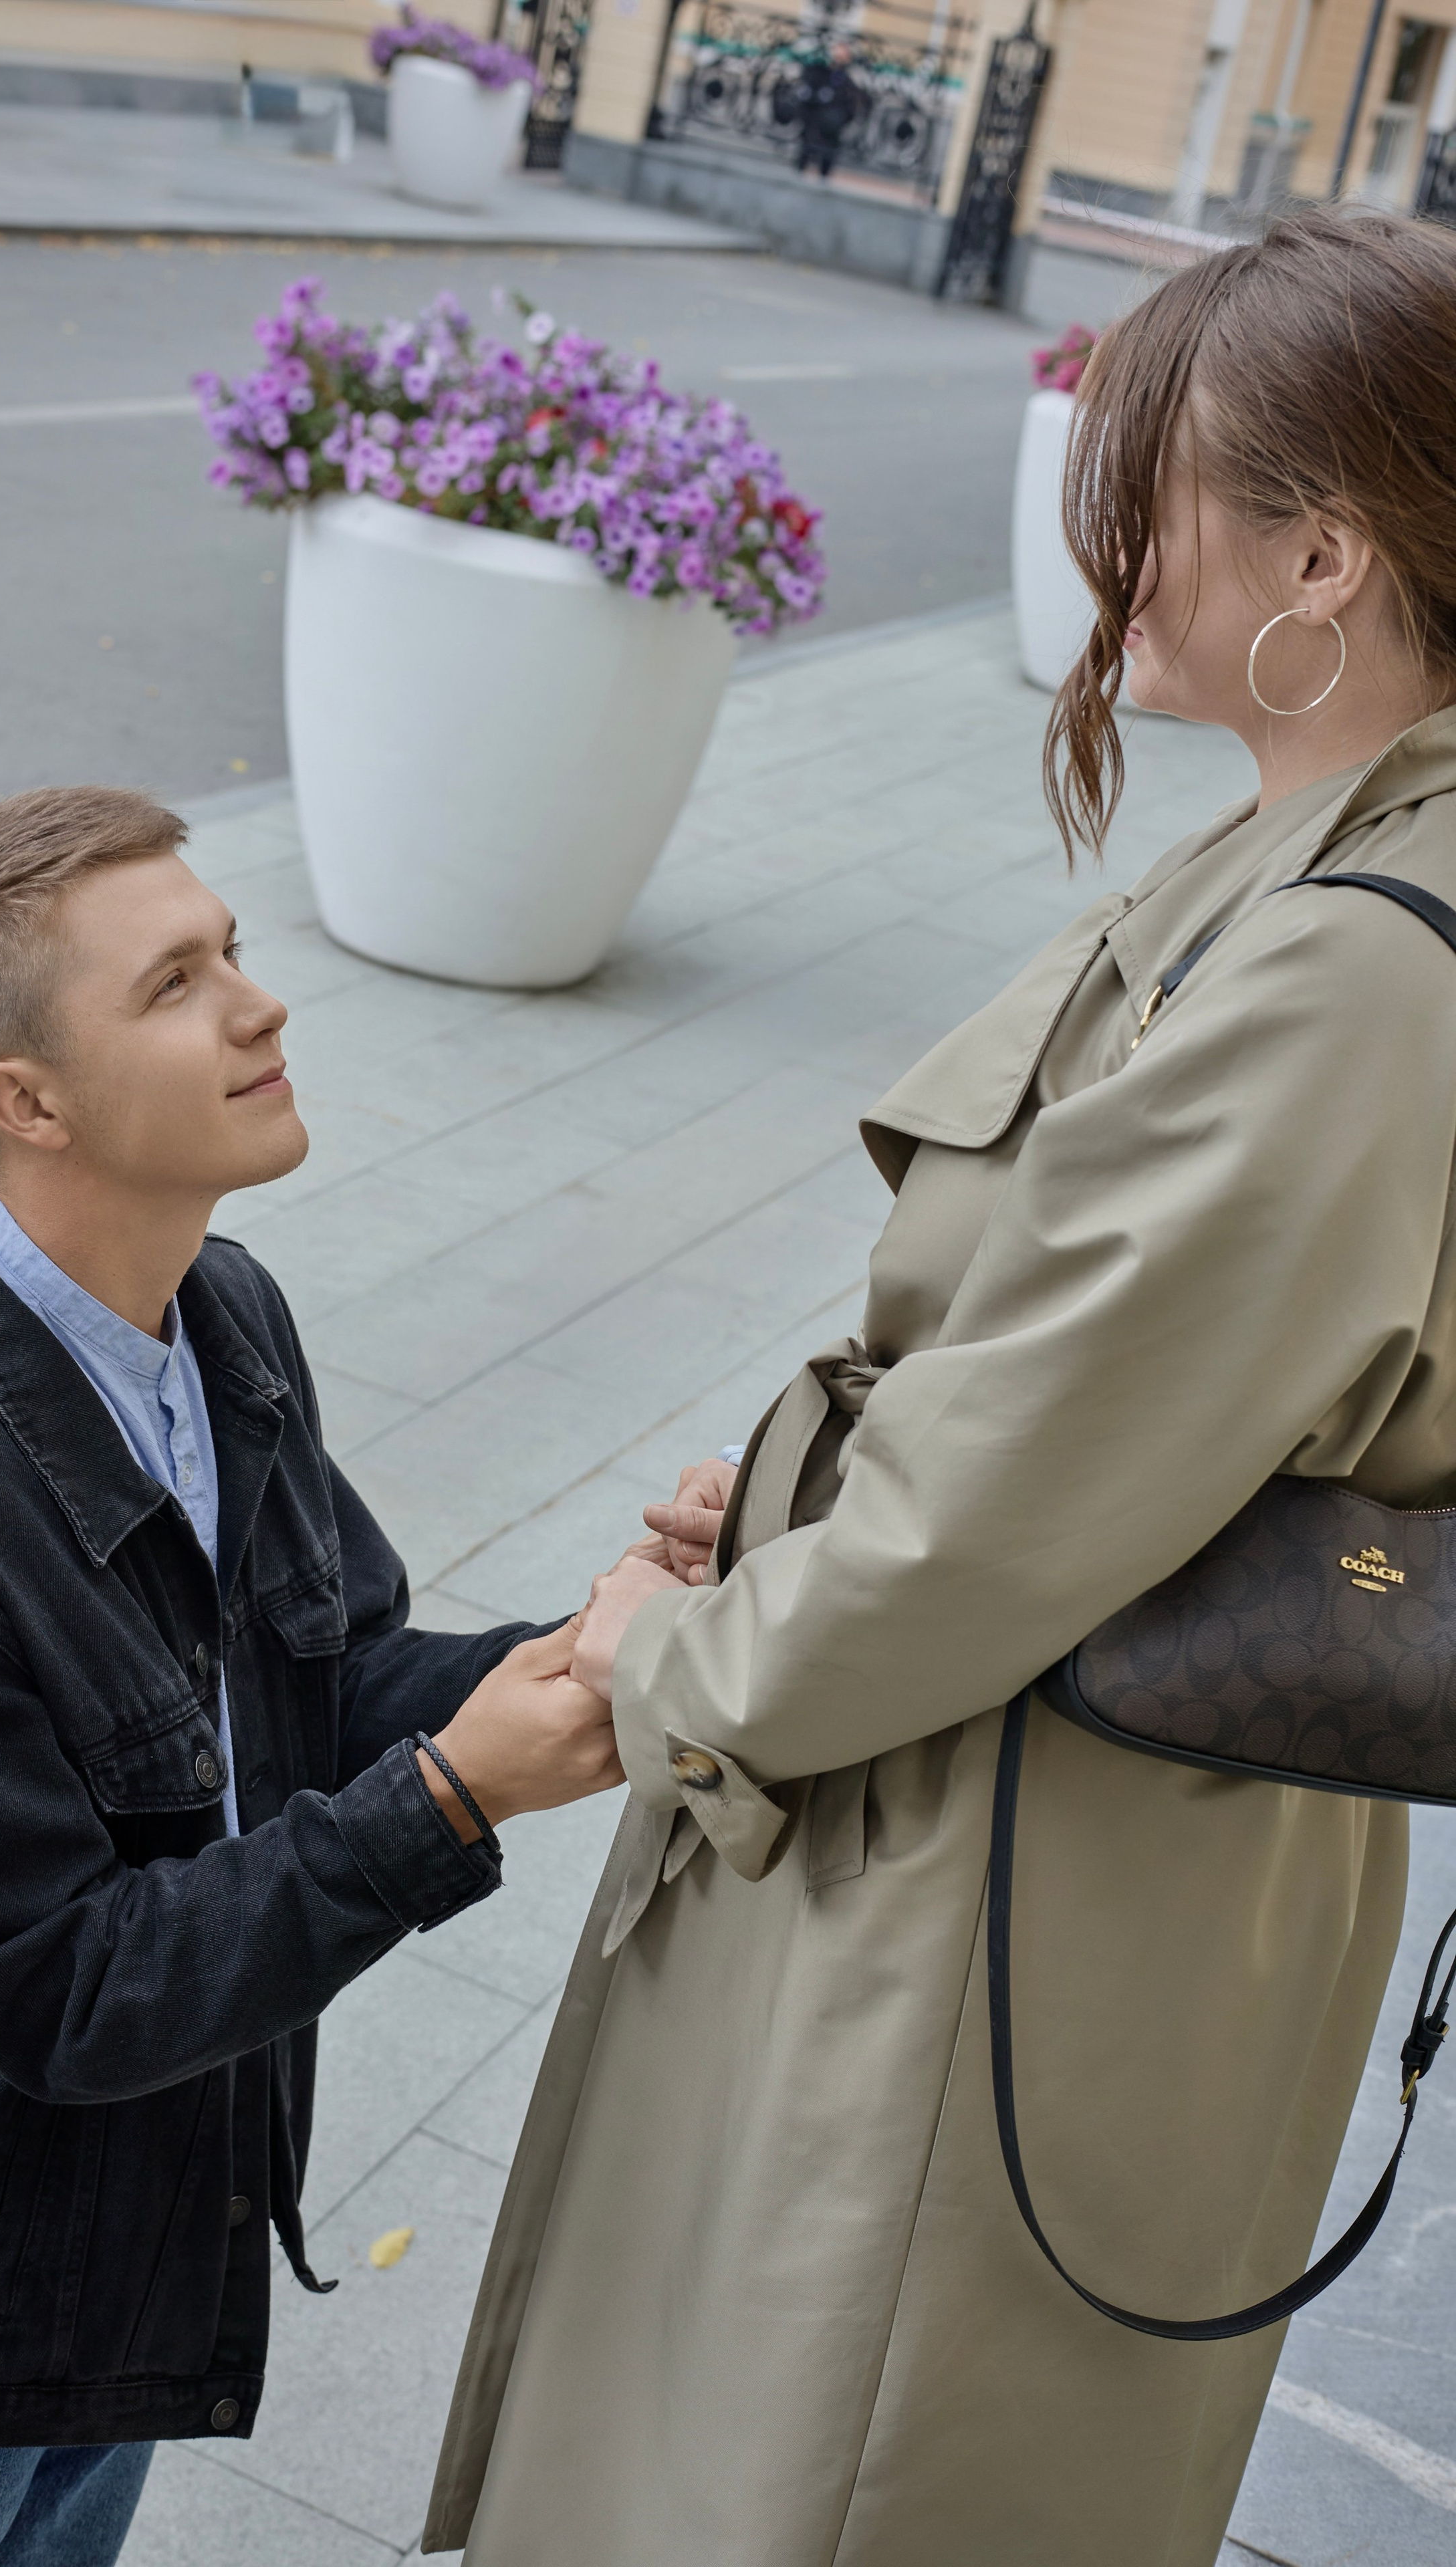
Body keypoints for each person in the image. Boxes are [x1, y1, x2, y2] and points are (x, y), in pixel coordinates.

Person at [425, 205, 1456, 2566]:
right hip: (1071, 1820)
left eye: (1144, 498)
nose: (1098, 547)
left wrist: (661, 1664)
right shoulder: (1330, 864)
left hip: (1012, 1860)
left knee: (816, 2472)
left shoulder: (1352, 972)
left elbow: (993, 1513)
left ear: (1326, 552)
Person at [0, 787, 621, 2566]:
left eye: (231, 948)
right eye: (174, 983)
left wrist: (601, 1640)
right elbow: (64, 1993)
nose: (257, 1003)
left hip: (138, 2262)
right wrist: (453, 1802)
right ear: (25, 1101)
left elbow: (334, 1676)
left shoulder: (224, 1317)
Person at [792, 41, 862, 182]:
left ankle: (821, 179)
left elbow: (851, 106)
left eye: (843, 56)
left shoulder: (847, 81)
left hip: (831, 128)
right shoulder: (820, 73)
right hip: (815, 122)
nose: (839, 59)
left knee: (826, 161)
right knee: (805, 154)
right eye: (837, 55)